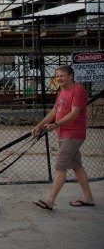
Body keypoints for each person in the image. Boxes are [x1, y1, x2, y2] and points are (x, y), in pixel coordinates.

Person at [32, 65, 94, 210]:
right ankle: (88, 197)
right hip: (64, 133)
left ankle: (49, 201)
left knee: (60, 166)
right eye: (57, 76)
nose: (59, 78)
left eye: (62, 75)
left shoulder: (78, 90)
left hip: (73, 134)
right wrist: (40, 124)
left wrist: (56, 125)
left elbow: (75, 113)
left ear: (71, 76)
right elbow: (55, 110)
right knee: (77, 166)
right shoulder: (62, 91)